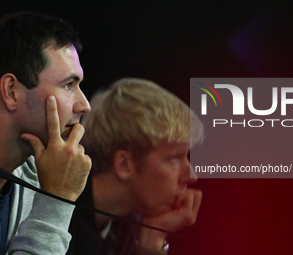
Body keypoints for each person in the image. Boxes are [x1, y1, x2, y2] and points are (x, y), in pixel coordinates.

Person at [68, 78, 203, 255]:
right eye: (174, 158)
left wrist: (153, 242)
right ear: (124, 165)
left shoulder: (126, 227)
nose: (191, 176)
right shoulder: (55, 214)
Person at [0, 12, 92, 254]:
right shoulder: (52, 184)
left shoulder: (40, 176)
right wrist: (55, 202)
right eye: (68, 86)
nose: (84, 105)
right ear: (11, 91)